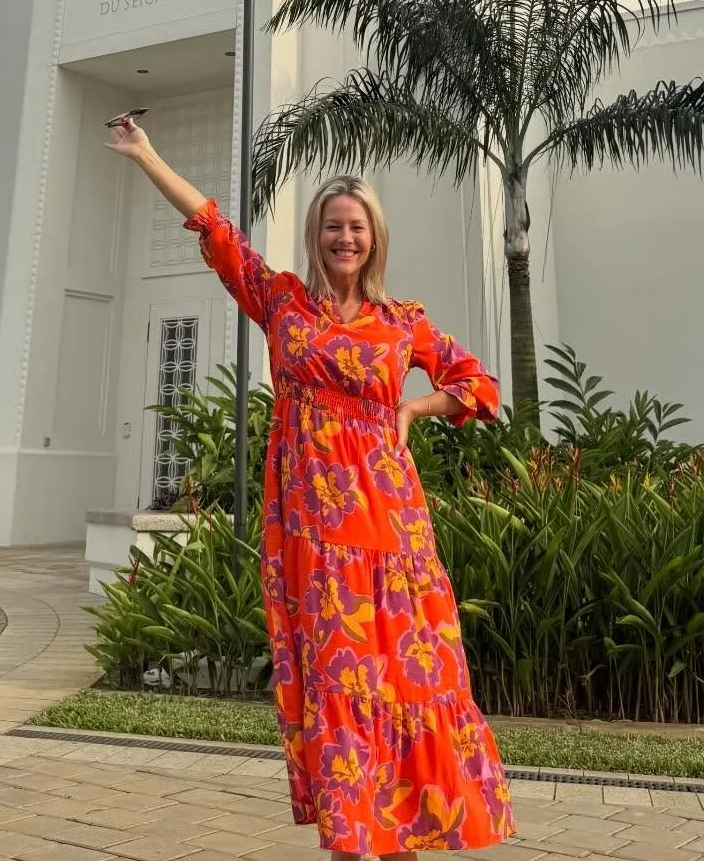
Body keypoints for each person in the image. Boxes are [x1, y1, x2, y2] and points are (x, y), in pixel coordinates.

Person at [106, 115, 514, 856]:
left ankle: (399, 836)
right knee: (336, 683)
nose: (345, 238)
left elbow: (478, 384)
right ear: (316, 236)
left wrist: (415, 408)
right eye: (333, 226)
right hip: (313, 537)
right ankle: (360, 839)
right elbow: (215, 231)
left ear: (375, 239)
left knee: (404, 681)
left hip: (390, 531)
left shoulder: (400, 324)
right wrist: (148, 156)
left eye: (357, 227)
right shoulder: (284, 303)